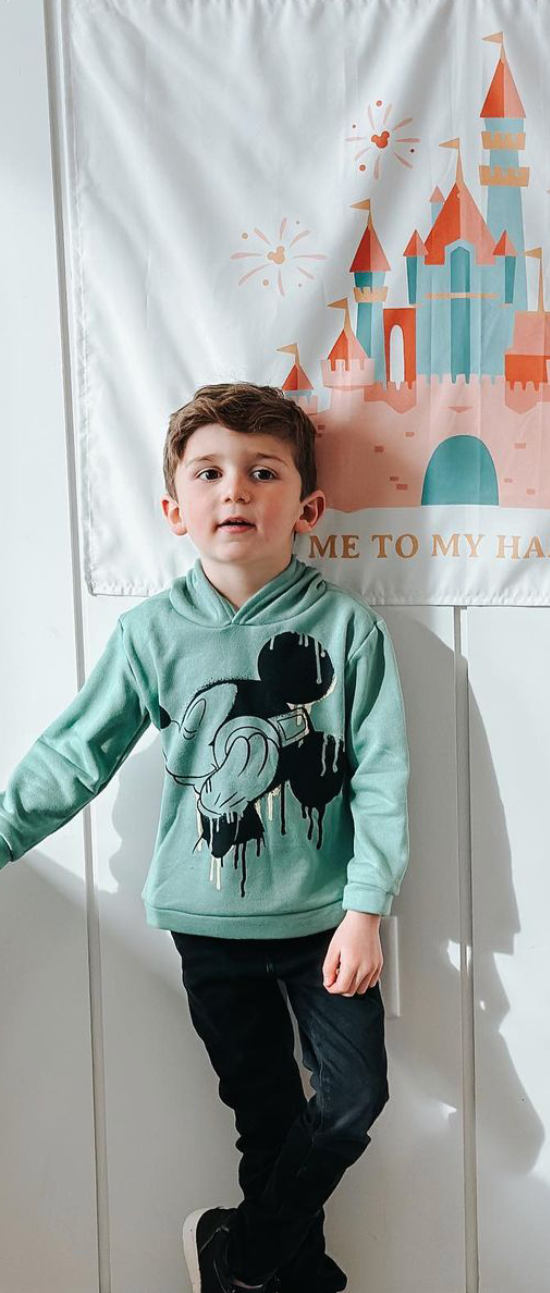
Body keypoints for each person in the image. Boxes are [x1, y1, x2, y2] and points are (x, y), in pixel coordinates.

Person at [0, 383, 411, 1293]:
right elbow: (75, 754)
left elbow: (381, 779)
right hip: (207, 927)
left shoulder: (349, 632)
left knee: (352, 1103)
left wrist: (366, 907)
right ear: (173, 508)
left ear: (307, 507)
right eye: (210, 473)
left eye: (263, 473)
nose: (235, 491)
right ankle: (293, 1280)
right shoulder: (150, 634)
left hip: (325, 927)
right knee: (267, 1122)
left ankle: (237, 1256)